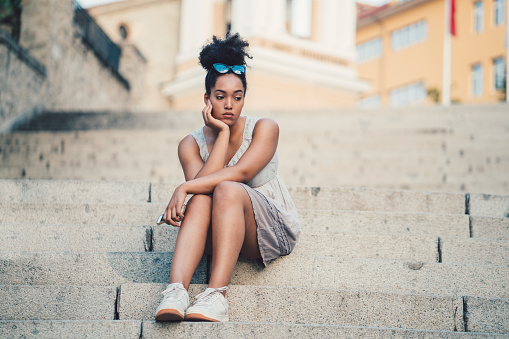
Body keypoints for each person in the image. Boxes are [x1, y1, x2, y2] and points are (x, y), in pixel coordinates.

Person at [154, 33, 301, 323]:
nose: (230, 105)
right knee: (202, 199)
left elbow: (242, 174)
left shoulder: (265, 128)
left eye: (238, 97)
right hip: (220, 228)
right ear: (207, 99)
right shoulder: (190, 144)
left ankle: (216, 295)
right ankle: (176, 291)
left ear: (245, 98)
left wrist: (184, 186)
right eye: (220, 97)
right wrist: (221, 134)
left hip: (271, 227)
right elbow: (204, 190)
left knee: (227, 189)